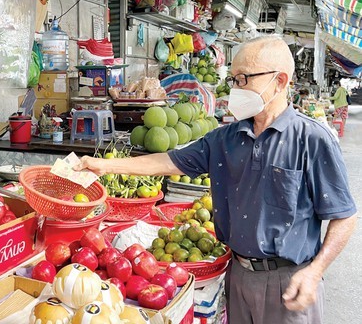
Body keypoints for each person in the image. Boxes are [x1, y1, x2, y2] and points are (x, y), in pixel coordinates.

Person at [75, 36, 357, 323]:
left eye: (244, 79)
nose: (235, 89)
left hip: (290, 281)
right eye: (233, 79)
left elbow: (344, 216)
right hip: (237, 275)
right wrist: (102, 165)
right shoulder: (226, 139)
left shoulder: (312, 139)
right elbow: (169, 161)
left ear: (280, 81)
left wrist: (316, 270)